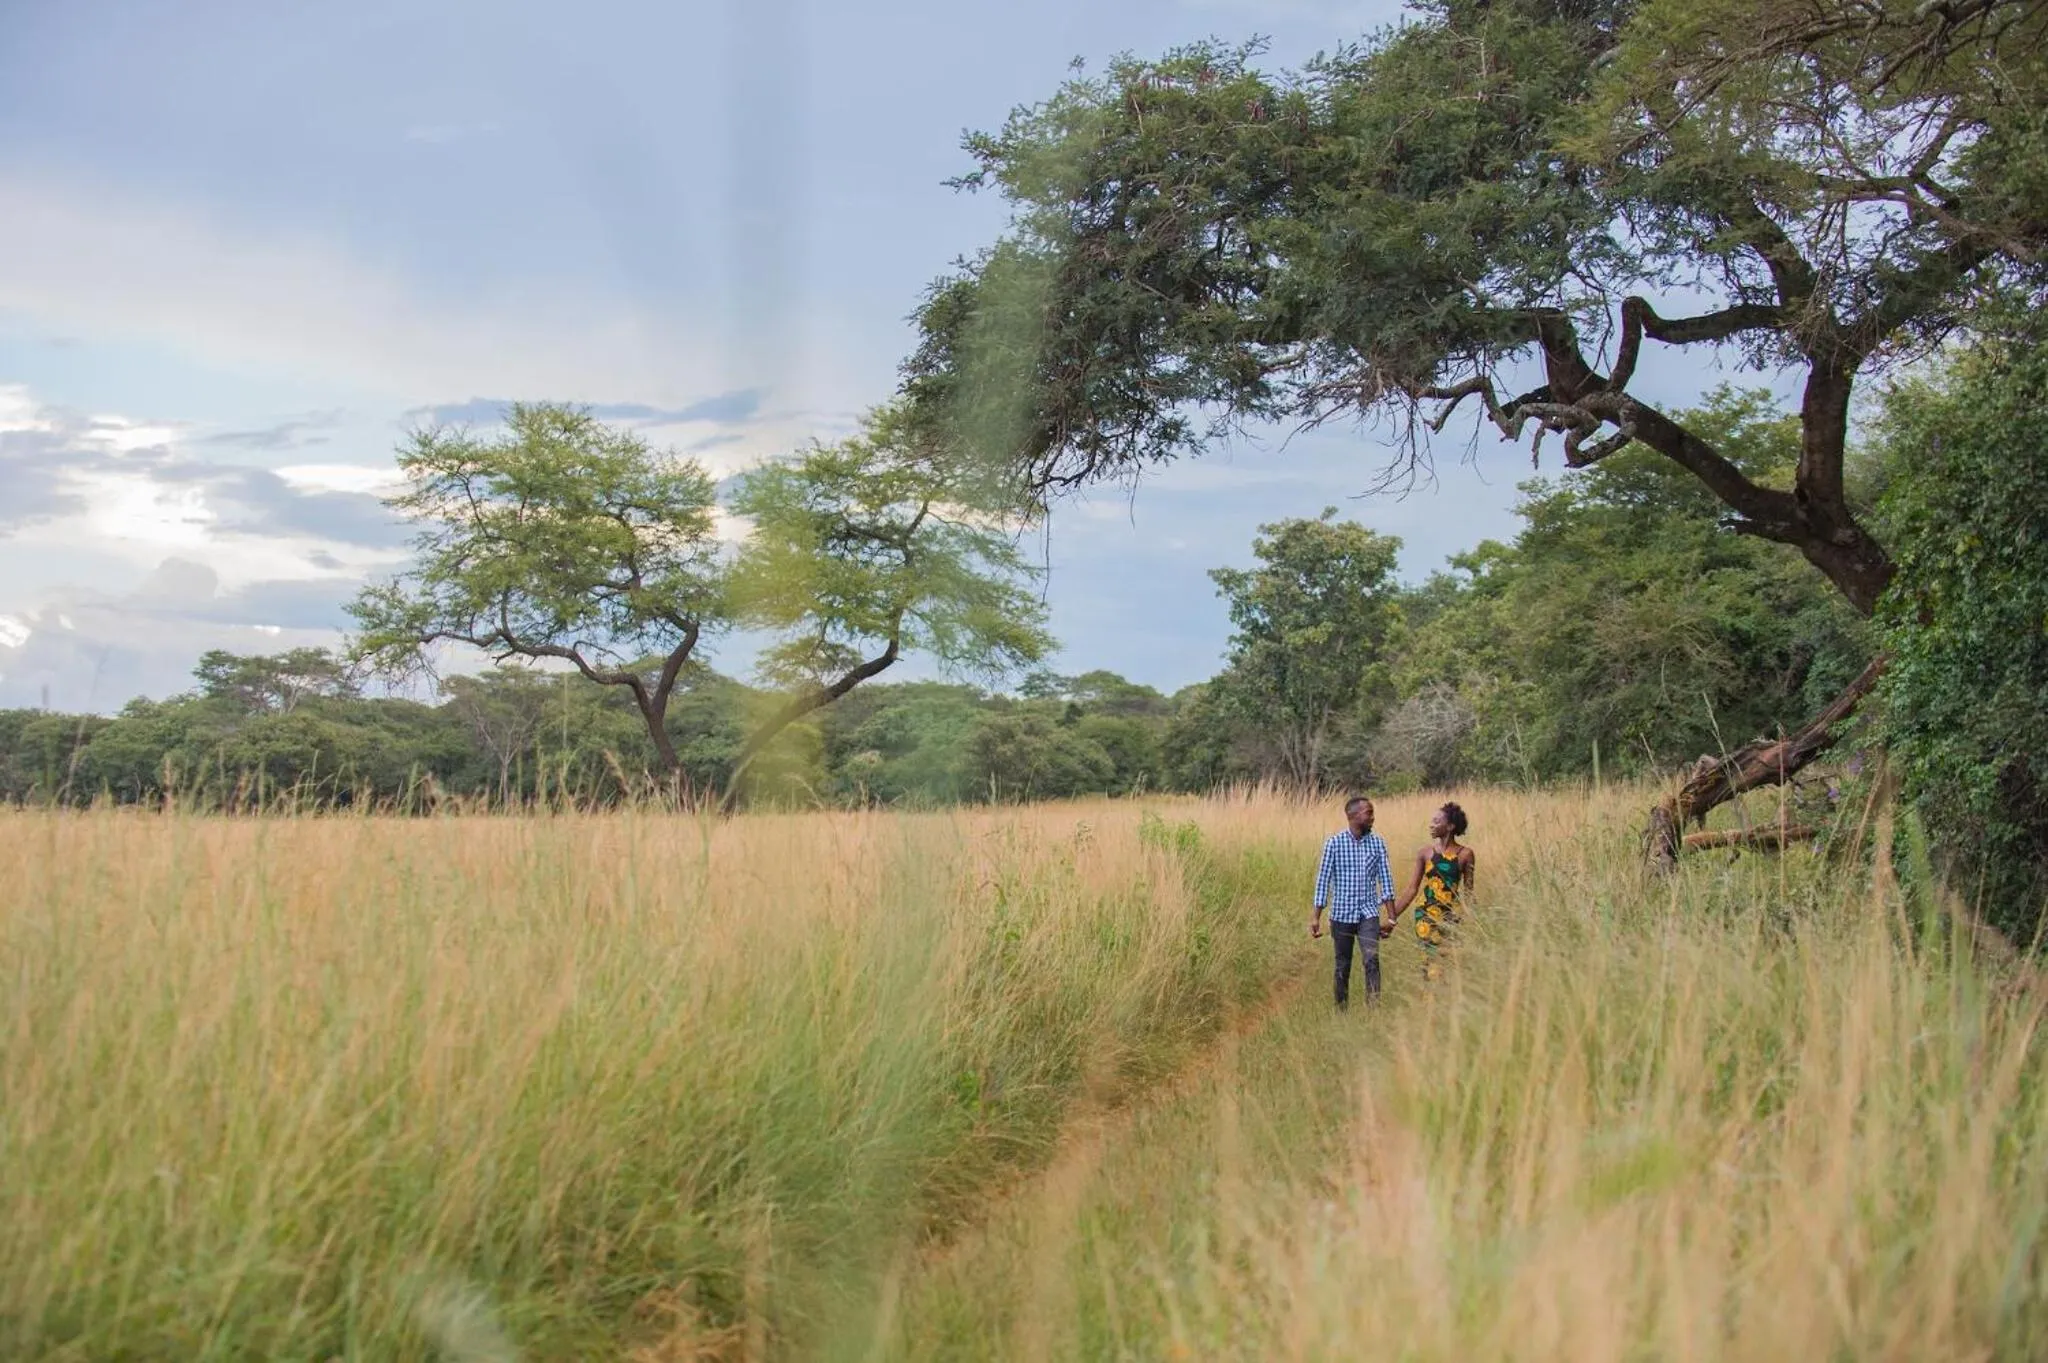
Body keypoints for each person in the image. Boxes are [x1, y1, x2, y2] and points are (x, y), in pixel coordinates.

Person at [1310, 795, 1396, 1009]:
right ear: (1353, 816)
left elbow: (1385, 879)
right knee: (1342, 965)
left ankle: (1373, 1010)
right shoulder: (1334, 844)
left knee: (1372, 960)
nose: (1373, 818)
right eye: (1369, 813)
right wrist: (1316, 917)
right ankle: (1341, 1010)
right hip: (1341, 914)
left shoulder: (1377, 843)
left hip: (1368, 913)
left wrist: (1392, 918)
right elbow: (1323, 881)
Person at [1386, 801, 1476, 982]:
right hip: (1425, 913)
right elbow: (1412, 889)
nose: (1431, 824)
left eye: (1436, 821)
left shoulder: (1466, 854)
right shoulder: (1425, 853)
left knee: (1447, 961)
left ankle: (1436, 1001)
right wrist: (1391, 917)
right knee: (1430, 959)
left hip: (1452, 916)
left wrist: (1473, 921)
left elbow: (1468, 892)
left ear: (1450, 826)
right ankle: (1430, 1000)